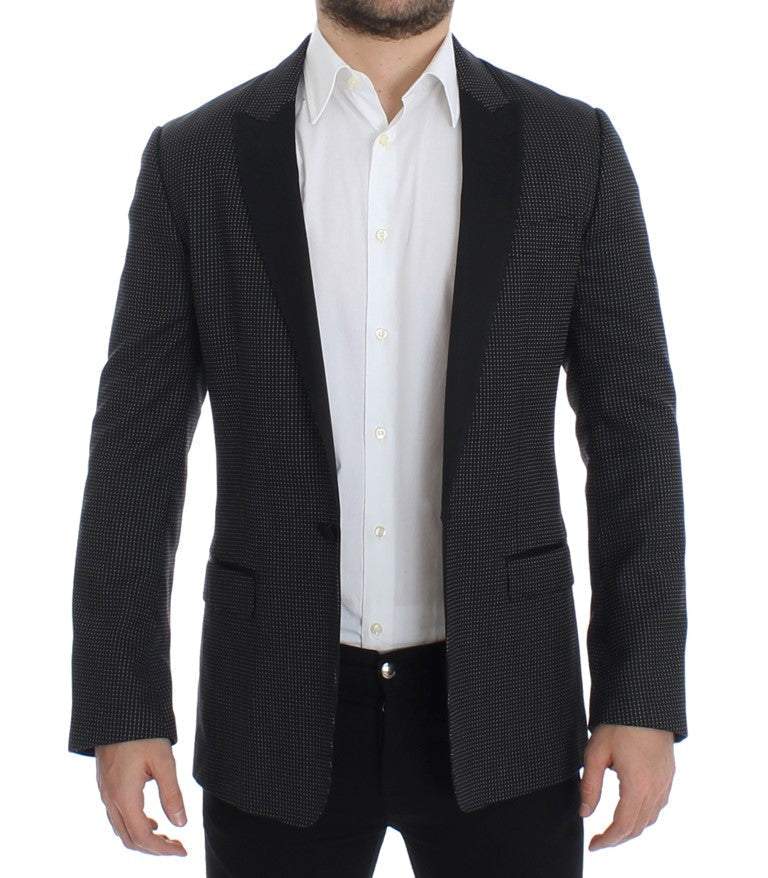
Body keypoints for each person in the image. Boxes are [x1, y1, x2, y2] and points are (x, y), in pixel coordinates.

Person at [68, 1, 688, 875]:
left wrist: (641, 692)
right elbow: (137, 447)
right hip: (272, 707)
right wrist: (124, 705)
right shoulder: (195, 159)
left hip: (511, 703)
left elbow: (634, 438)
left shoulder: (570, 149)